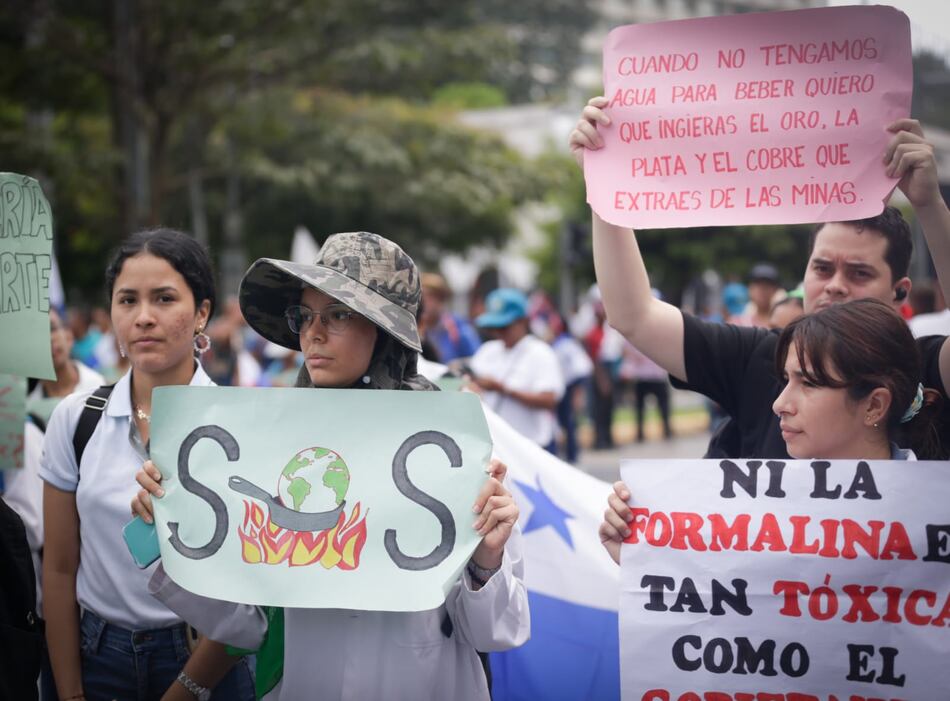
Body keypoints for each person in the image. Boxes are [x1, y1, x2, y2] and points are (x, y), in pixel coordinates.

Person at [133, 231, 529, 700]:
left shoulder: (451, 449)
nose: (313, 333)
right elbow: (248, 626)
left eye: (339, 314)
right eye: (305, 315)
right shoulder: (274, 450)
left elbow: (496, 631)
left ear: (384, 332)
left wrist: (487, 560)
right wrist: (167, 535)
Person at [569, 96, 950, 460]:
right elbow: (634, 316)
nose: (835, 284)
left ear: (899, 291)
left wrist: (928, 204)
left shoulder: (924, 367)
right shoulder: (760, 357)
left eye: (859, 273)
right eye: (822, 268)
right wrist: (605, 188)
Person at [40, 229, 254, 701]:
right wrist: (70, 690)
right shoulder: (75, 420)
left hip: (208, 658)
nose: (143, 317)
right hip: (96, 656)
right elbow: (58, 567)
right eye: (127, 300)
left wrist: (188, 688)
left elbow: (248, 591)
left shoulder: (242, 426)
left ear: (202, 312)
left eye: (164, 298)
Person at [599, 298, 945, 564]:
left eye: (809, 383)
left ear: (874, 406)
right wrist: (640, 556)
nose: (780, 403)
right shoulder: (751, 507)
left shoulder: (933, 518)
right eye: (785, 380)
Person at [469, 287, 565, 452]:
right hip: (496, 445)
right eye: (493, 327)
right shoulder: (488, 350)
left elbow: (549, 399)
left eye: (504, 327)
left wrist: (502, 389)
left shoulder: (540, 352)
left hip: (532, 446)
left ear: (523, 321)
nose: (498, 332)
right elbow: (470, 381)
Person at [421, 272, 482, 363]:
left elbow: (478, 360)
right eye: (421, 297)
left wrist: (458, 365)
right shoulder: (415, 329)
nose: (424, 303)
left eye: (429, 297)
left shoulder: (459, 329)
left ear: (441, 300)